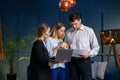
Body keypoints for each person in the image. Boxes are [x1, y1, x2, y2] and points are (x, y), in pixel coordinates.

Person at [64, 12, 100, 80]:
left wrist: (89, 54)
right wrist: (64, 54)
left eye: (75, 24)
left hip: (84, 60)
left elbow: (96, 47)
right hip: (72, 61)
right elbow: (66, 47)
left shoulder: (89, 30)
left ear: (80, 20)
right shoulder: (68, 32)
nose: (74, 26)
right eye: (72, 24)